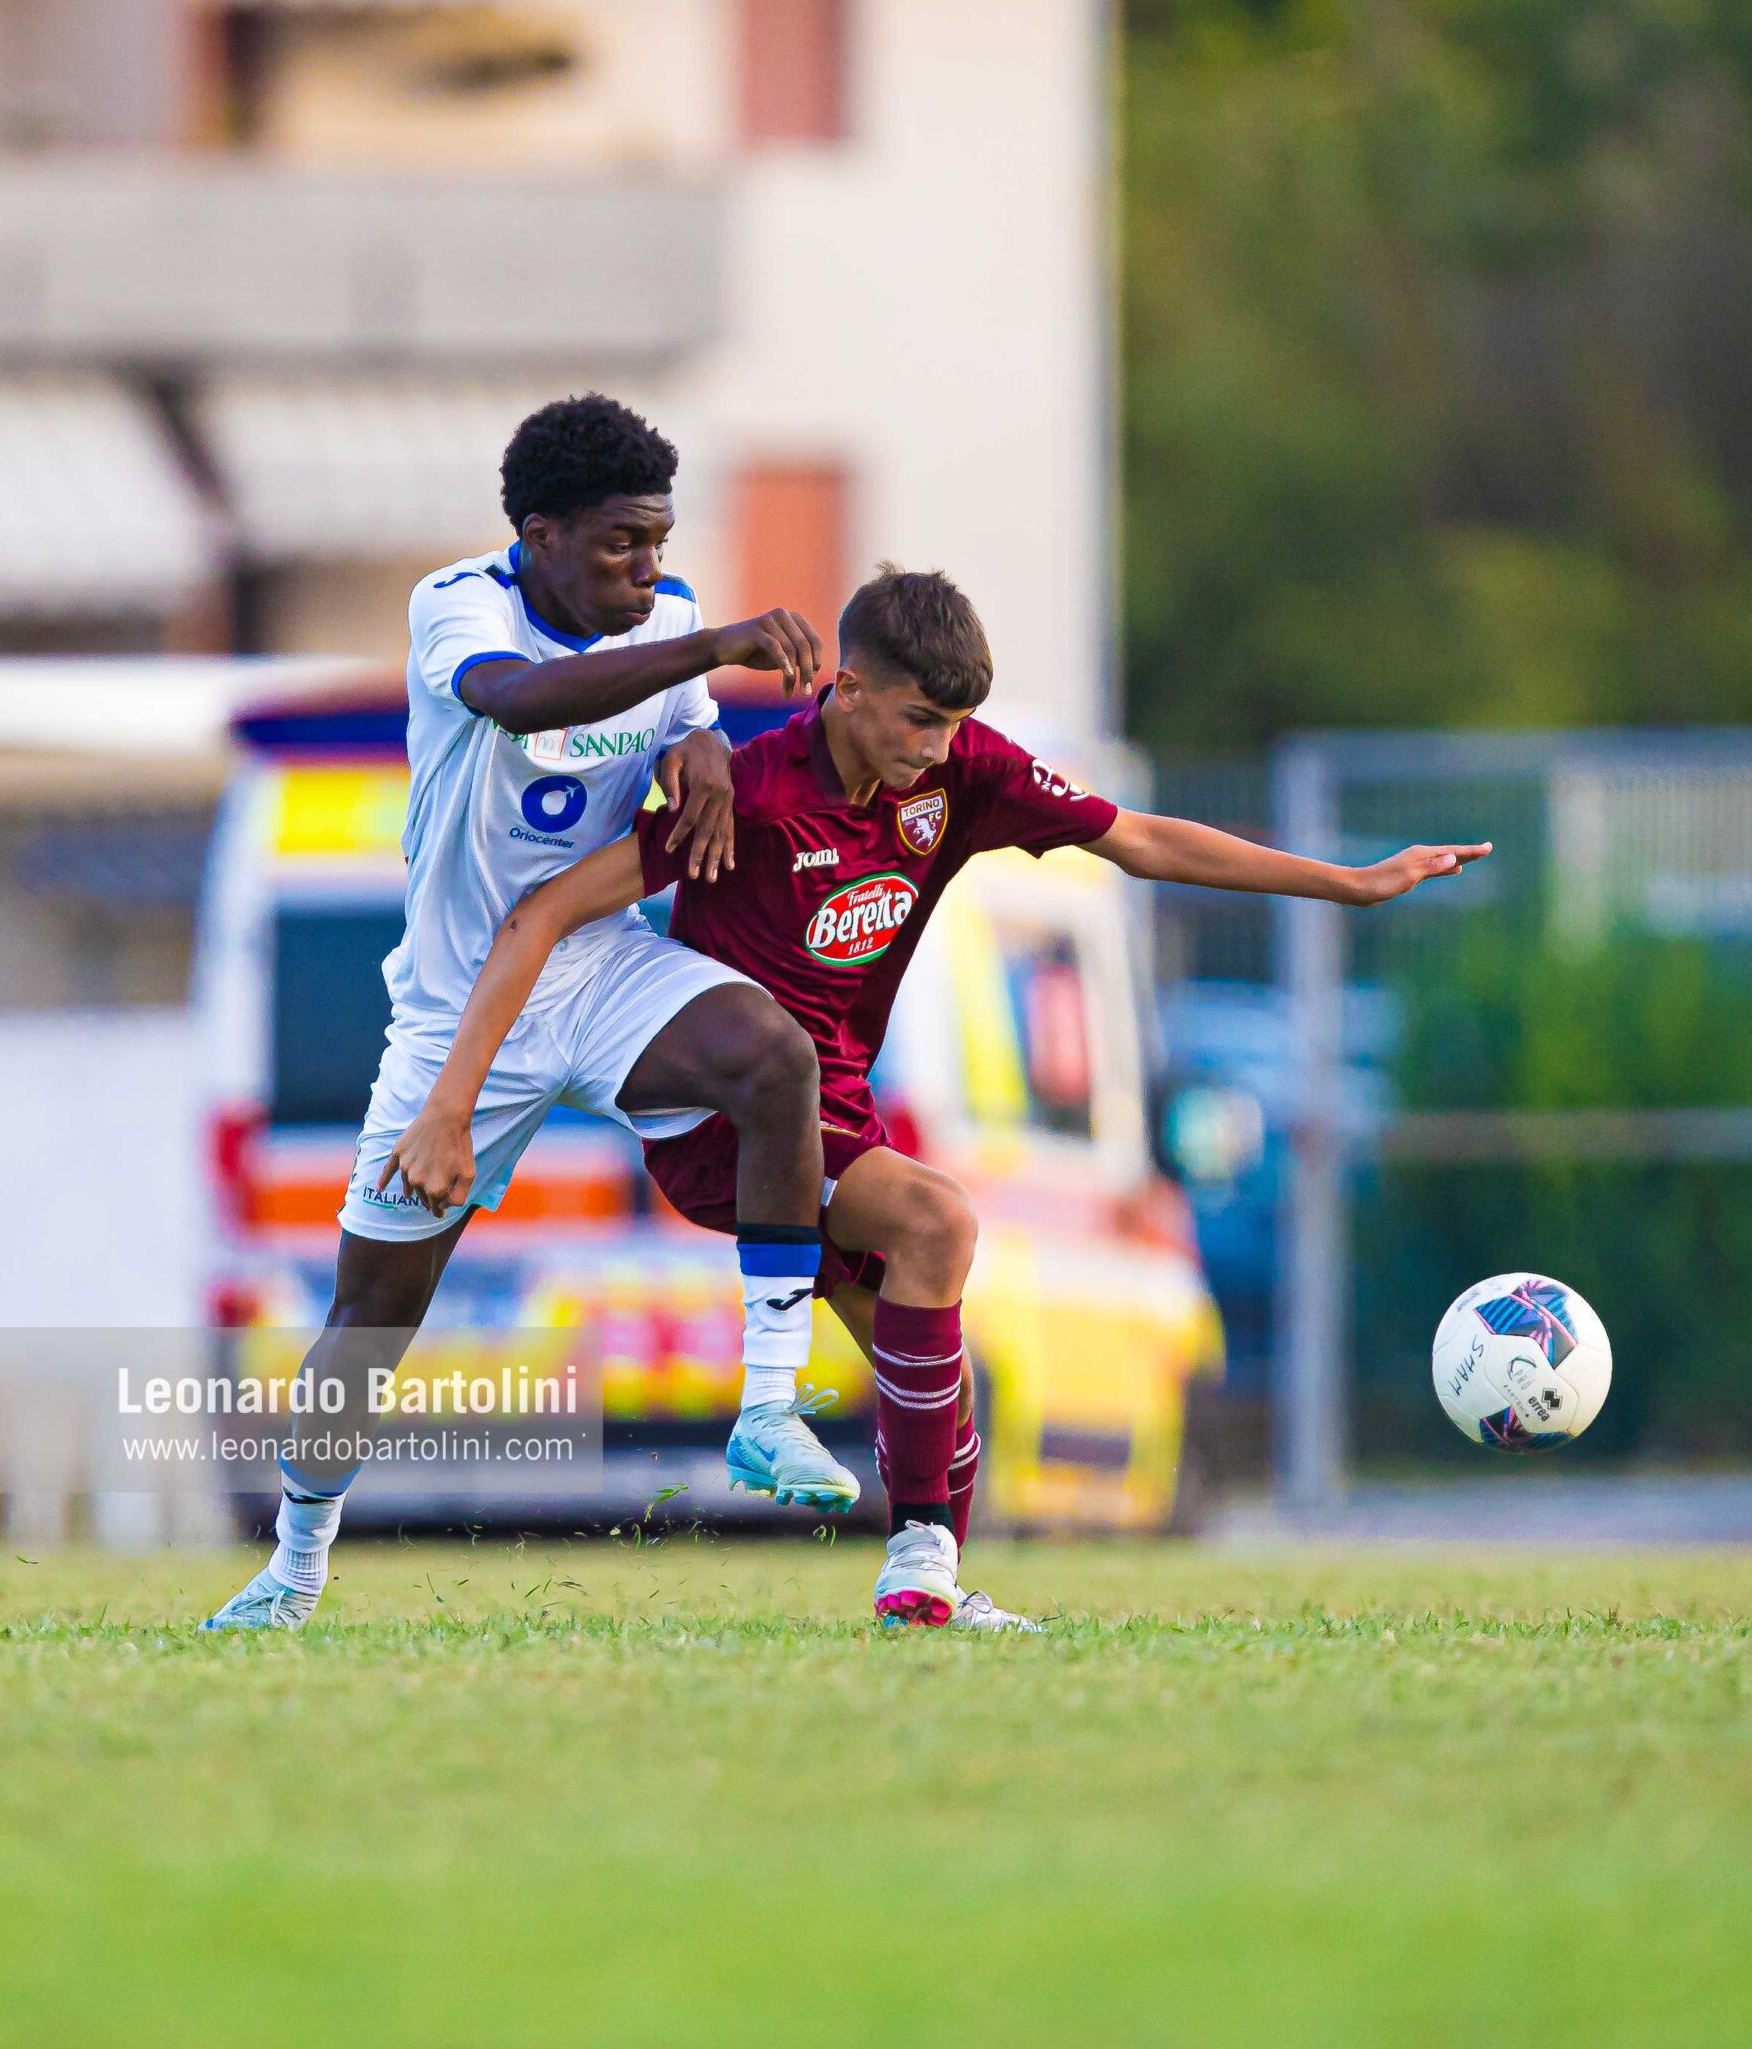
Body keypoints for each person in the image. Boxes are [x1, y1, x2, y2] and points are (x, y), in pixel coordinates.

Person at [380, 566, 1491, 1629]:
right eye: (915, 720)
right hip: (734, 1122)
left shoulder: (965, 775)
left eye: (953, 725)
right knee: (937, 1219)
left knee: (940, 1401)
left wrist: (1345, 882)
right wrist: (450, 1099)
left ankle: (926, 1585)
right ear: (844, 689)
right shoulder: (754, 793)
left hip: (839, 1114)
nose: (934, 748)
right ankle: (881, 1525)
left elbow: (1141, 840)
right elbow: (544, 915)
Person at [203, 395, 864, 1633]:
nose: (650, 570)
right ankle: (293, 1565)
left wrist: (702, 751)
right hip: (461, 1007)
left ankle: (769, 1413)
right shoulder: (455, 603)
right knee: (373, 1314)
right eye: (623, 543)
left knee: (772, 1058)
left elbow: (685, 737)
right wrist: (710, 646)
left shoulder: (663, 623)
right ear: (543, 534)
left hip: (598, 964)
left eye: (662, 542)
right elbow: (518, 702)